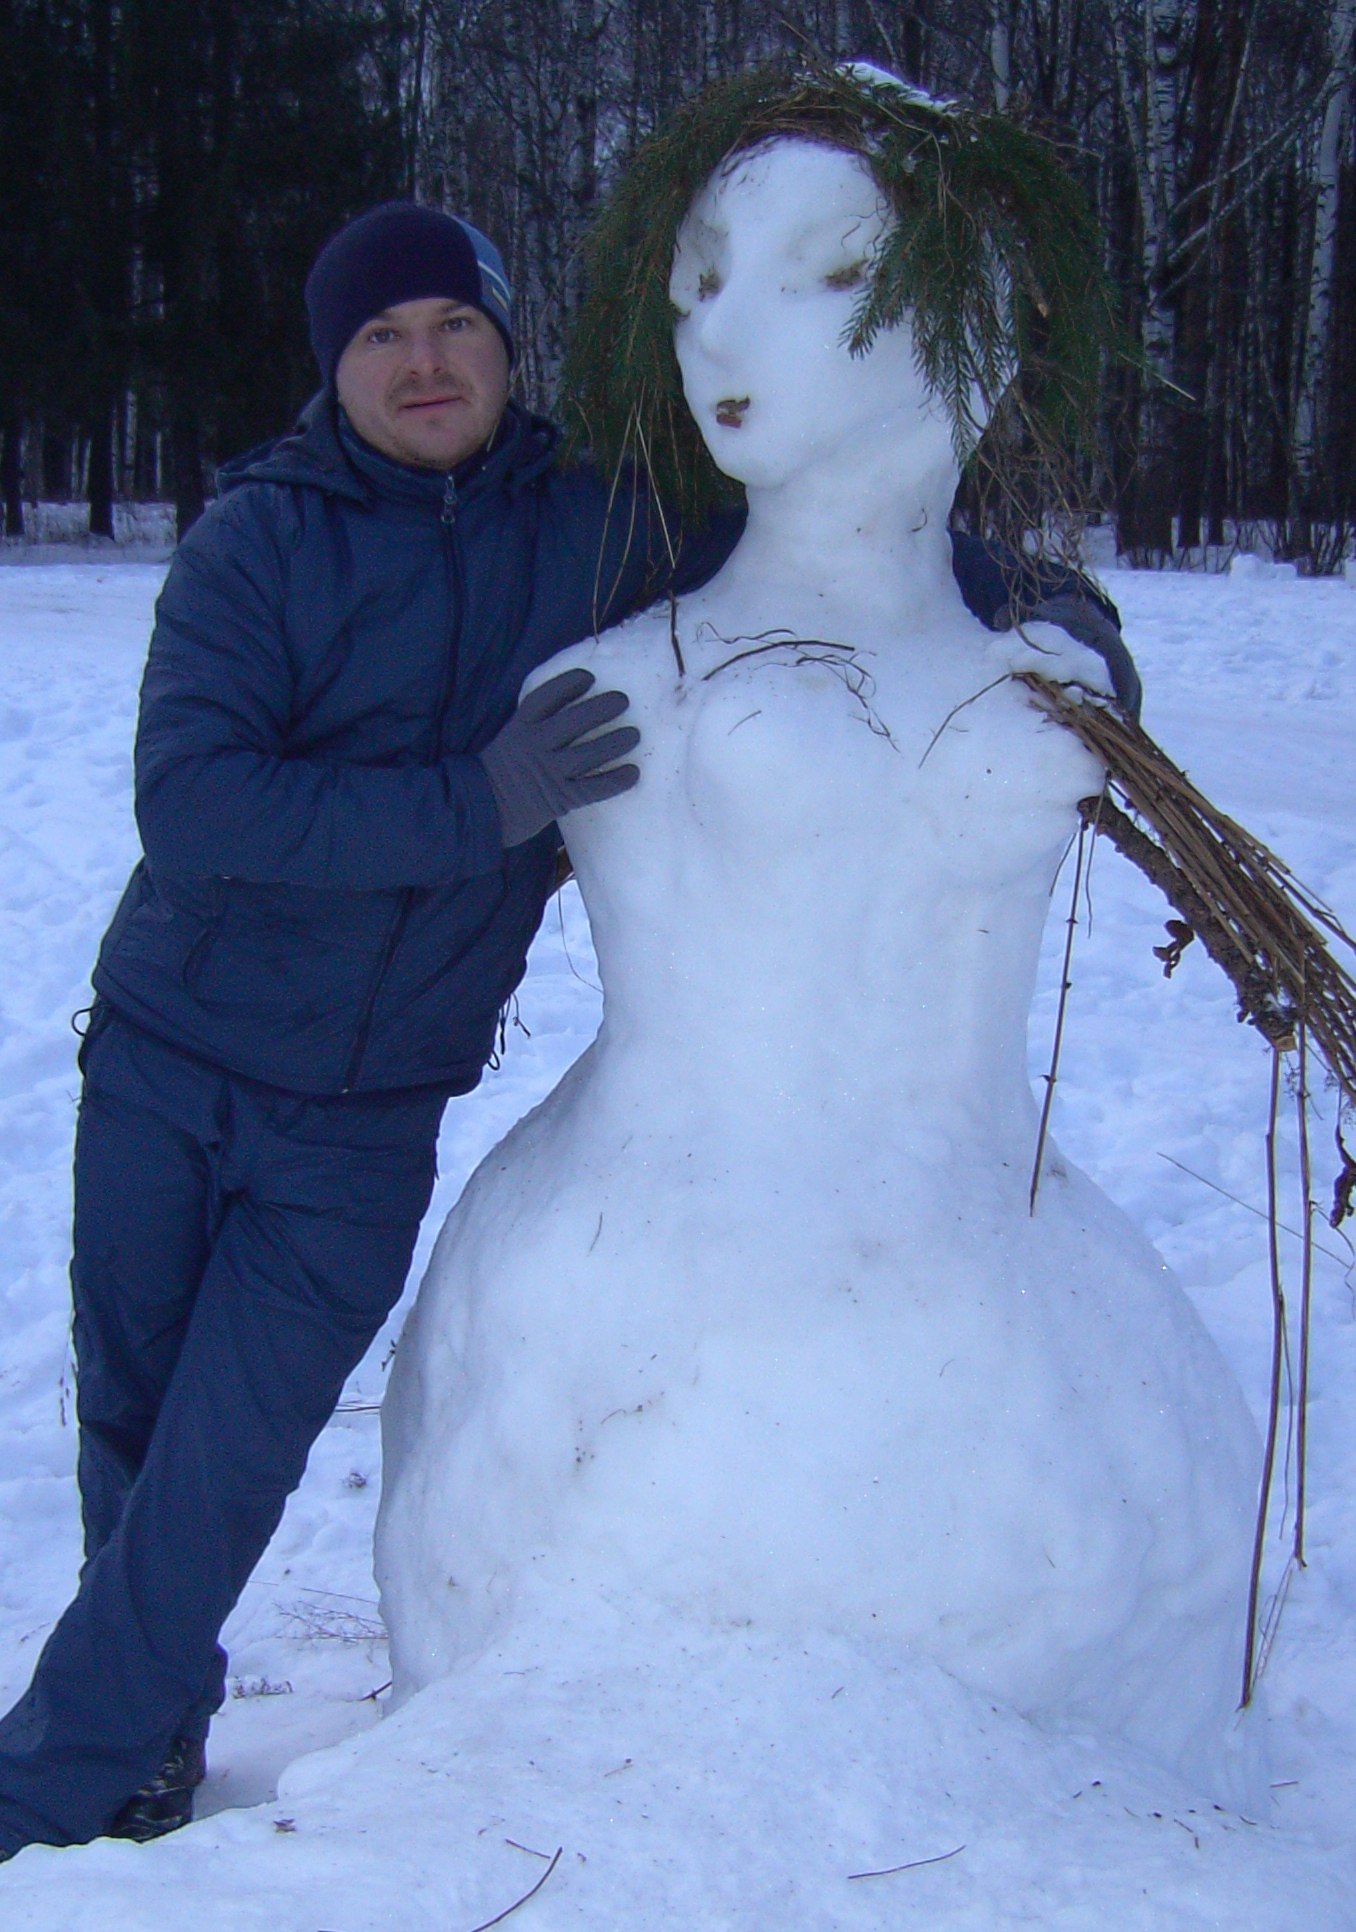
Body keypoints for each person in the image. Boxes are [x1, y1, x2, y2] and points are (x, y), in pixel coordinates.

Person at [0, 189, 1129, 1863]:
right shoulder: (262, 539)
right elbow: (197, 802)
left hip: (360, 1118)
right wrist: (480, 803)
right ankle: (148, 1740)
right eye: (382, 335)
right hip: (165, 1067)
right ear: (335, 369)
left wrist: (1049, 607)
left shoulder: (594, 525)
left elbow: (827, 529)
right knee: (133, 1427)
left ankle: (43, 1788)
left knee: (222, 1463)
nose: (424, 361)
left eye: (455, 324)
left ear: (506, 346)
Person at [373, 83, 1258, 1803]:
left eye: (827, 277)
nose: (724, 328)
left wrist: (1072, 663)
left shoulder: (1044, 677)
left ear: (971, 330)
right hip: (639, 1324)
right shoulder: (618, 684)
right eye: (699, 282)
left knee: (1088, 1618)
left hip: (1005, 1317)